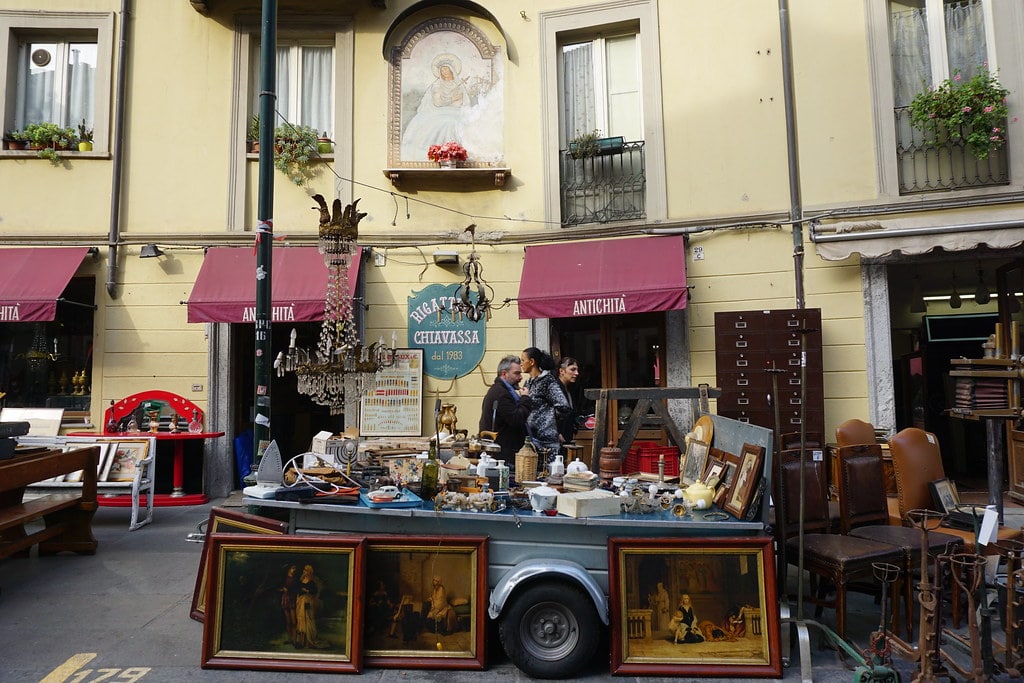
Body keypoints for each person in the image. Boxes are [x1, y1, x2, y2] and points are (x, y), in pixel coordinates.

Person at [400, 52, 472, 160]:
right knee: (444, 123)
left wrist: (453, 99)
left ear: (451, 70)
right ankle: (439, 154)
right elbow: (438, 103)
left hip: (456, 111)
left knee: (457, 123)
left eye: (446, 69)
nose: (444, 72)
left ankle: (458, 154)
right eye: (442, 70)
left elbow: (461, 103)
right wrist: (452, 98)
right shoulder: (437, 85)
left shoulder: (458, 85)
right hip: (438, 112)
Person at [479, 355, 533, 462]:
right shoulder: (501, 394)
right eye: (516, 373)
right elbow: (517, 419)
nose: (521, 377)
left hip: (502, 452)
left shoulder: (501, 391)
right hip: (502, 455)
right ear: (504, 374)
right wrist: (526, 399)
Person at [522, 347, 570, 463]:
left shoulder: (548, 381)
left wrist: (549, 420)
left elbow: (563, 406)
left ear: (532, 362)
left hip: (546, 442)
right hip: (532, 439)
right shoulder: (528, 383)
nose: (521, 364)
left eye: (523, 360)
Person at [295, 564, 327, 648]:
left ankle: (309, 640)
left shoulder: (312, 581)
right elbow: (298, 589)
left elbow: (314, 591)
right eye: (304, 570)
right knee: (301, 620)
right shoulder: (301, 580)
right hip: (300, 601)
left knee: (308, 619)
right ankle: (301, 641)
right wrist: (300, 593)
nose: (304, 571)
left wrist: (307, 590)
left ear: (309, 571)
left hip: (307, 602)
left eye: (306, 570)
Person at [556, 356, 580, 446]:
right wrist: (557, 433)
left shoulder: (569, 389)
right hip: (557, 439)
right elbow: (548, 412)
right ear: (561, 371)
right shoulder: (555, 388)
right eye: (573, 370)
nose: (577, 373)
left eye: (577, 370)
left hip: (567, 437)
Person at [280, 564, 299, 646]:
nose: (294, 570)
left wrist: (291, 592)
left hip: (292, 599)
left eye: (295, 568)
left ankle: (295, 640)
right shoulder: (284, 578)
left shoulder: (295, 579)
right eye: (293, 568)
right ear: (289, 569)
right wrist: (282, 589)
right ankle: (289, 639)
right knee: (288, 621)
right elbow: (279, 588)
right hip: (285, 599)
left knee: (294, 621)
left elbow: (297, 590)